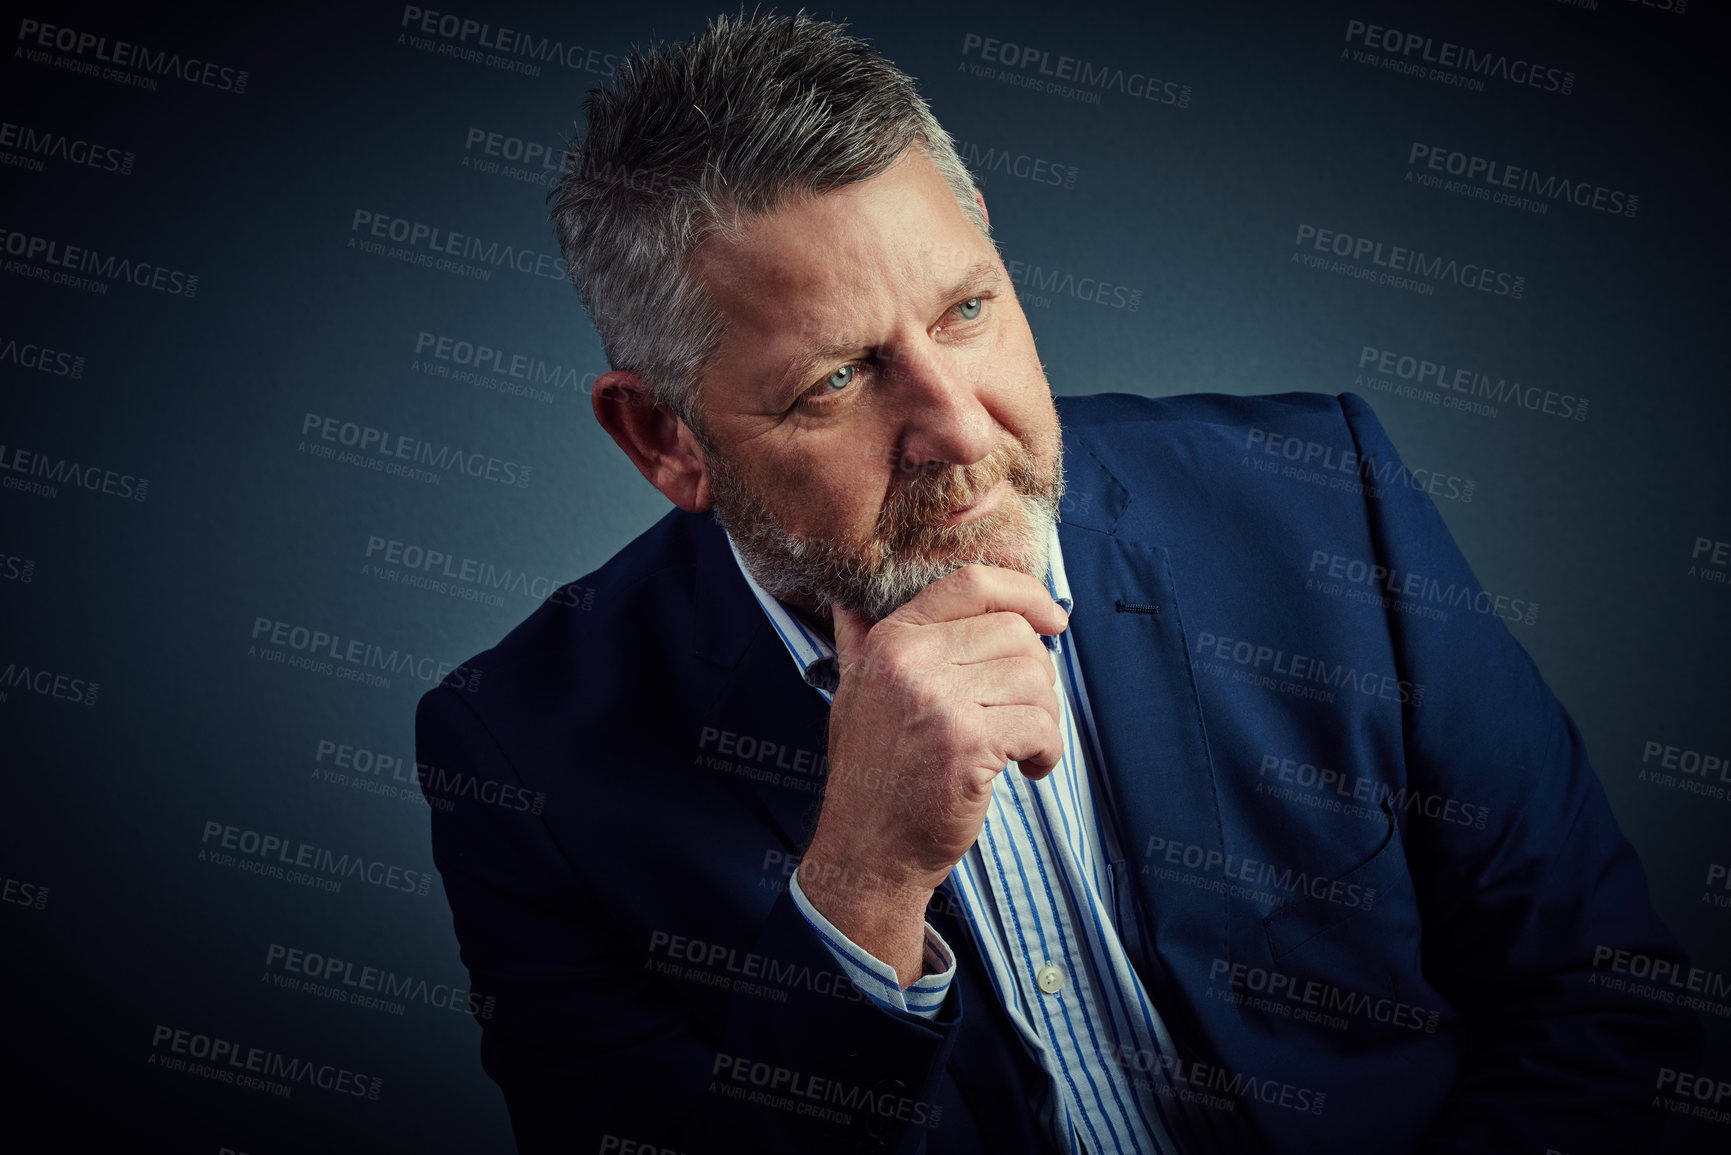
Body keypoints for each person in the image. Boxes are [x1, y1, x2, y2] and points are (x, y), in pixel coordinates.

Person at [415, 13, 1698, 1154]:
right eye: (841, 379)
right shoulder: (520, 754)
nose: (960, 430)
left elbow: (1601, 994)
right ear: (664, 438)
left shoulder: (1324, 496)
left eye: (968, 311)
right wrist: (860, 887)